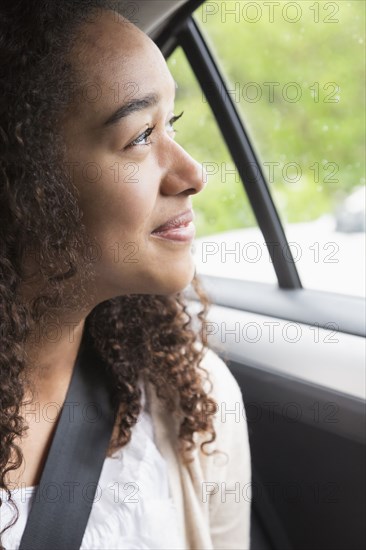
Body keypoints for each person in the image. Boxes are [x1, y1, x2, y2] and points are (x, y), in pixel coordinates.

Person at [0, 1, 252, 548]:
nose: (193, 174)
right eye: (140, 136)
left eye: (173, 124)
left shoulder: (193, 400)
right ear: (26, 184)